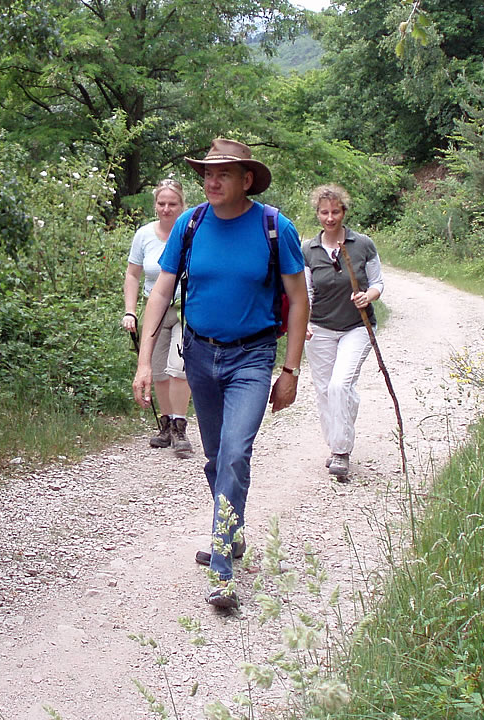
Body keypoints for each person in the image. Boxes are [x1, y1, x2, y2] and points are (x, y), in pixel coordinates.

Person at [132, 139, 308, 610]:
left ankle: (223, 570)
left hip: (252, 358)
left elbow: (299, 301)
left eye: (223, 174)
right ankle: (231, 529)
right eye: (207, 174)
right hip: (199, 357)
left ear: (246, 179)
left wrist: (289, 369)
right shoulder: (191, 225)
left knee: (234, 454)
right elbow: (161, 291)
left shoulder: (275, 227)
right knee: (215, 457)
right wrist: (145, 360)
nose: (211, 181)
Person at [302, 184, 384, 480]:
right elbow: (307, 292)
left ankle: (341, 452)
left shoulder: (362, 244)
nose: (330, 217)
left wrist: (368, 296)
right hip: (320, 327)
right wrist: (305, 323)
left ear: (344, 212)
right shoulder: (308, 249)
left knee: (339, 386)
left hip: (357, 326)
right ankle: (336, 442)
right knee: (325, 391)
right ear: (318, 214)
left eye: (335, 211)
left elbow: (378, 283)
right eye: (324, 212)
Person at [122, 179, 194, 458]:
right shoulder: (144, 235)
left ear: (182, 206)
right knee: (159, 370)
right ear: (155, 205)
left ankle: (179, 425)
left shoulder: (191, 233)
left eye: (172, 204)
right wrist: (130, 310)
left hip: (185, 308)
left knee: (180, 367)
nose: (166, 209)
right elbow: (132, 274)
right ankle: (165, 424)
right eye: (161, 204)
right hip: (155, 307)